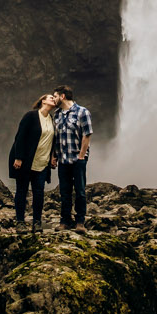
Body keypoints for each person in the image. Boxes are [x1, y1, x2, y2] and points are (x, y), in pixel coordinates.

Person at [8, 92, 60, 230]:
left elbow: (52, 141)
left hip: (42, 163)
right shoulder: (31, 116)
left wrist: (53, 157)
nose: (54, 100)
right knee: (21, 191)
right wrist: (18, 158)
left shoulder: (52, 119)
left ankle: (36, 222)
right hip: (26, 162)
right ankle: (20, 222)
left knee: (39, 193)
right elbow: (20, 137)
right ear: (43, 101)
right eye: (51, 98)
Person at [51, 84, 93, 230]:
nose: (53, 99)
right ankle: (65, 221)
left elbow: (86, 135)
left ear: (63, 96)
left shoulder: (82, 112)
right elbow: (55, 138)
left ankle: (80, 221)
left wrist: (81, 156)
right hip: (63, 159)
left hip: (78, 158)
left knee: (80, 191)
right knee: (64, 192)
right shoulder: (56, 114)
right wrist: (54, 156)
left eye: (55, 96)